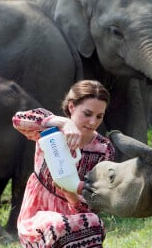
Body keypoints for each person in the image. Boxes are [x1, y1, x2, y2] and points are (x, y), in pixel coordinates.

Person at [12, 80, 115, 247]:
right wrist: (63, 122)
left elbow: (98, 199)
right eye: (87, 114)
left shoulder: (103, 149)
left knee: (94, 222)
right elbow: (18, 120)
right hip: (38, 212)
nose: (92, 122)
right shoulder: (50, 131)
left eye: (99, 116)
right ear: (72, 107)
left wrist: (74, 197)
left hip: (76, 212)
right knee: (58, 227)